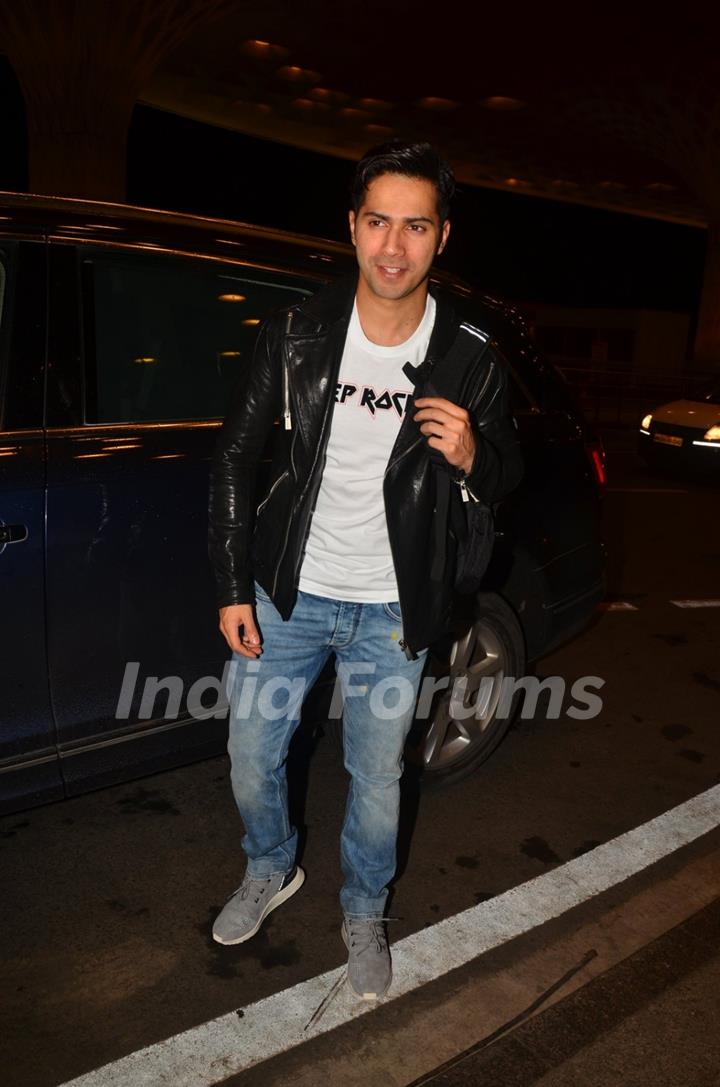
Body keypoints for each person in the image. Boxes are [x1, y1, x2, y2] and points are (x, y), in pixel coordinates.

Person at [207, 140, 523, 1001]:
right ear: (351, 227)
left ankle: (364, 908)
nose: (393, 246)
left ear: (441, 237)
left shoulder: (470, 354)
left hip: (392, 605)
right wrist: (234, 584)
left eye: (414, 226)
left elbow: (507, 474)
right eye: (377, 221)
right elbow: (237, 459)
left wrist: (475, 458)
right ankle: (271, 866)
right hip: (290, 594)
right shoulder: (297, 332)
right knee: (249, 755)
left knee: (378, 777)